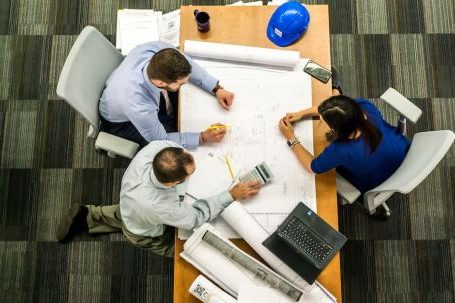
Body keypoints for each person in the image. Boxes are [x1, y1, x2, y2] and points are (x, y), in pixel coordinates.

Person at [56, 140, 261, 257]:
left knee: (125, 213)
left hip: (130, 203)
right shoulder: (161, 206)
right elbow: (195, 218)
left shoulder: (158, 149)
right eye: (190, 174)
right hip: (144, 229)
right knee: (183, 249)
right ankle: (92, 219)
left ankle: (88, 215)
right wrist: (231, 194)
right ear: (172, 184)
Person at [278, 72, 409, 219]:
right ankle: (336, 90)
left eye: (323, 121)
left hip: (376, 181)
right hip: (404, 153)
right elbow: (339, 107)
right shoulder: (366, 108)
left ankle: (335, 90)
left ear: (336, 130)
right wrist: (301, 113)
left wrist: (291, 137)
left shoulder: (341, 150)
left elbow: (311, 167)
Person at [99, 41, 235, 149]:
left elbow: (188, 65)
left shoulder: (157, 50)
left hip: (123, 91)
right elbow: (160, 139)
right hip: (122, 123)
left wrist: (216, 88)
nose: (184, 85)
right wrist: (202, 138)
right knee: (169, 145)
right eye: (180, 84)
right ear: (160, 82)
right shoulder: (138, 106)